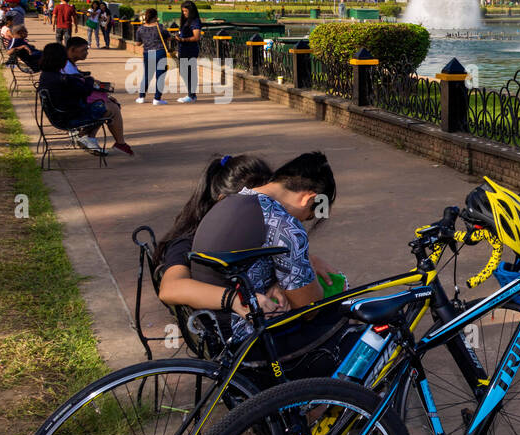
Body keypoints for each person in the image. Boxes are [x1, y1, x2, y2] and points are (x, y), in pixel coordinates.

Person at [189, 151, 339, 336]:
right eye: (308, 215)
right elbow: (309, 308)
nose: (302, 221)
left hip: (206, 324)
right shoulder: (284, 224)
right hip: (243, 334)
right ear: (308, 199)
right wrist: (309, 266)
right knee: (339, 315)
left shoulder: (230, 200)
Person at [155, 154, 278, 314]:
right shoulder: (188, 241)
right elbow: (170, 288)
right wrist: (234, 299)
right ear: (225, 202)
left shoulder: (249, 230)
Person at [36, 42, 133, 155]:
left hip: (59, 114)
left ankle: (91, 138)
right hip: (68, 117)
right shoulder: (62, 79)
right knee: (111, 109)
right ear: (61, 59)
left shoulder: (47, 75)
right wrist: (89, 80)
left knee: (107, 105)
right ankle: (88, 136)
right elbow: (84, 92)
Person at [134, 9, 172, 104]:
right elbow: (169, 38)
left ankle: (141, 97)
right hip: (160, 52)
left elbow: (138, 43)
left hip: (148, 53)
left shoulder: (140, 28)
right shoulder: (160, 27)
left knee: (147, 75)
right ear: (155, 17)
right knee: (160, 76)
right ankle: (157, 98)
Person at [174, 1, 202, 103]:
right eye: (183, 11)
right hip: (183, 50)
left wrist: (183, 40)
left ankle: (192, 95)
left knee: (189, 72)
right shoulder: (186, 21)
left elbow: (196, 37)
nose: (184, 13)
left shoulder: (195, 21)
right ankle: (191, 93)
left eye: (186, 11)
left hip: (190, 50)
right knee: (184, 72)